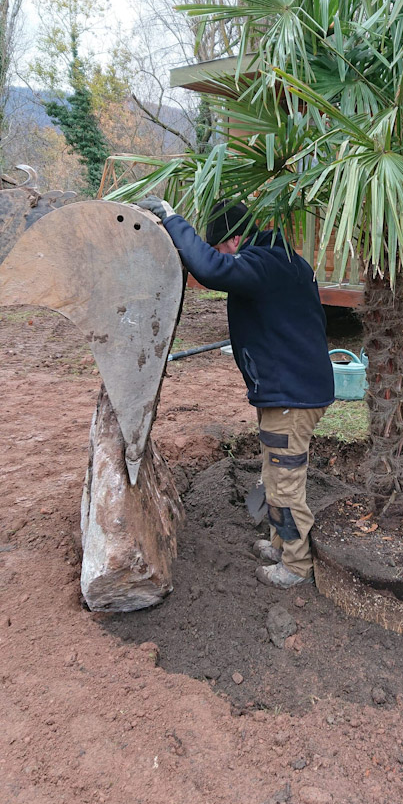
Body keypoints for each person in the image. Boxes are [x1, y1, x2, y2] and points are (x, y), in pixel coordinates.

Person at [139, 196, 334, 590]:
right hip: (286, 392)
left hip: (290, 397)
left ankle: (297, 566)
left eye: (218, 246)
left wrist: (173, 219)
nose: (218, 254)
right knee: (275, 472)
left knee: (284, 482)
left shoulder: (266, 264)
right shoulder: (280, 260)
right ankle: (282, 543)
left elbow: (212, 270)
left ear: (235, 238)